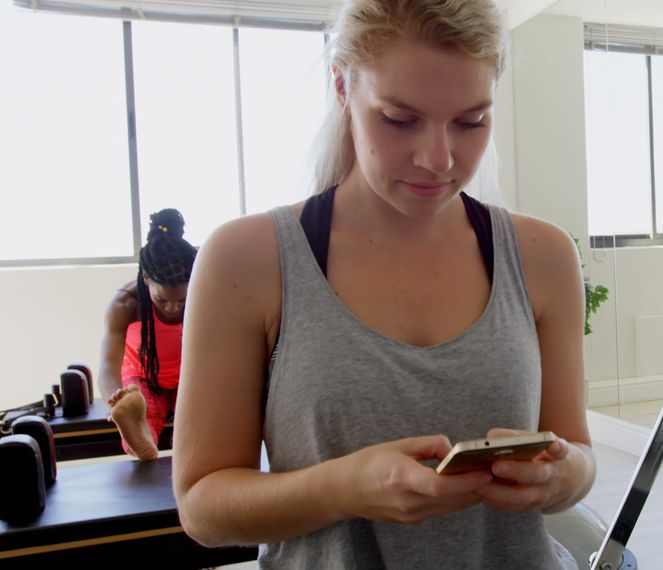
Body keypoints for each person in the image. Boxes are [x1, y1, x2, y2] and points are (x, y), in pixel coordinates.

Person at [172, 1, 595, 568]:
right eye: (399, 119)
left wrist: (563, 476)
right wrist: (343, 488)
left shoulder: (542, 257)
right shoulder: (248, 260)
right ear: (343, 88)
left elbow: (579, 453)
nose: (439, 159)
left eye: (472, 121)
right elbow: (203, 508)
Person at [98, 208, 197, 461]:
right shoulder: (125, 304)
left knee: (200, 417)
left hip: (188, 376)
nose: (173, 308)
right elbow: (108, 366)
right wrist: (116, 398)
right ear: (145, 279)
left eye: (182, 300)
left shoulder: (203, 296)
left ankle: (195, 449)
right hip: (143, 377)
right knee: (143, 409)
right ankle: (142, 440)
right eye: (161, 300)